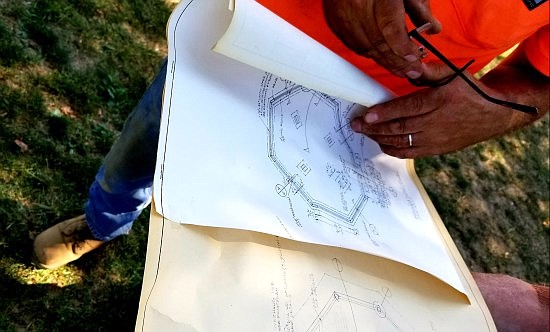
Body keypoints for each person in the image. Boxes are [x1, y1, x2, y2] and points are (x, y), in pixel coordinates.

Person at [33, 0, 548, 330]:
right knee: (148, 146)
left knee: (281, 248)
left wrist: (498, 113)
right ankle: (104, 222)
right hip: (251, 36)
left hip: (372, 115)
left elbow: (539, 78)